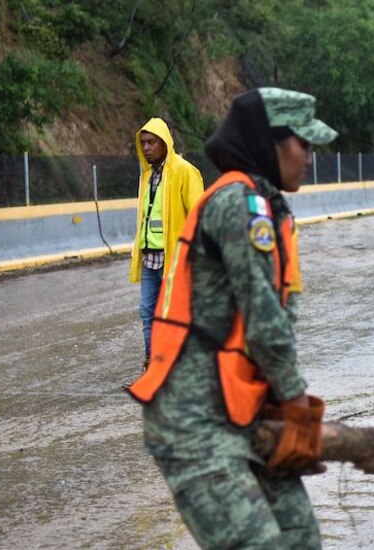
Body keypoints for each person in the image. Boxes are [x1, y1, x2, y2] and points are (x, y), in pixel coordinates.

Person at [127, 87, 338, 549]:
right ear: (272, 143)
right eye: (304, 145)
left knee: (300, 538)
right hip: (194, 424)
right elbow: (265, 322)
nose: (310, 158)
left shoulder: (267, 206)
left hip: (239, 413)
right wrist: (299, 411)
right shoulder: (238, 206)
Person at [129, 117, 204, 364]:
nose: (147, 147)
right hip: (150, 256)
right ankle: (153, 366)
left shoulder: (184, 171)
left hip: (174, 257)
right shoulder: (147, 176)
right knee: (148, 312)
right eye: (143, 143)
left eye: (152, 142)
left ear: (164, 143)